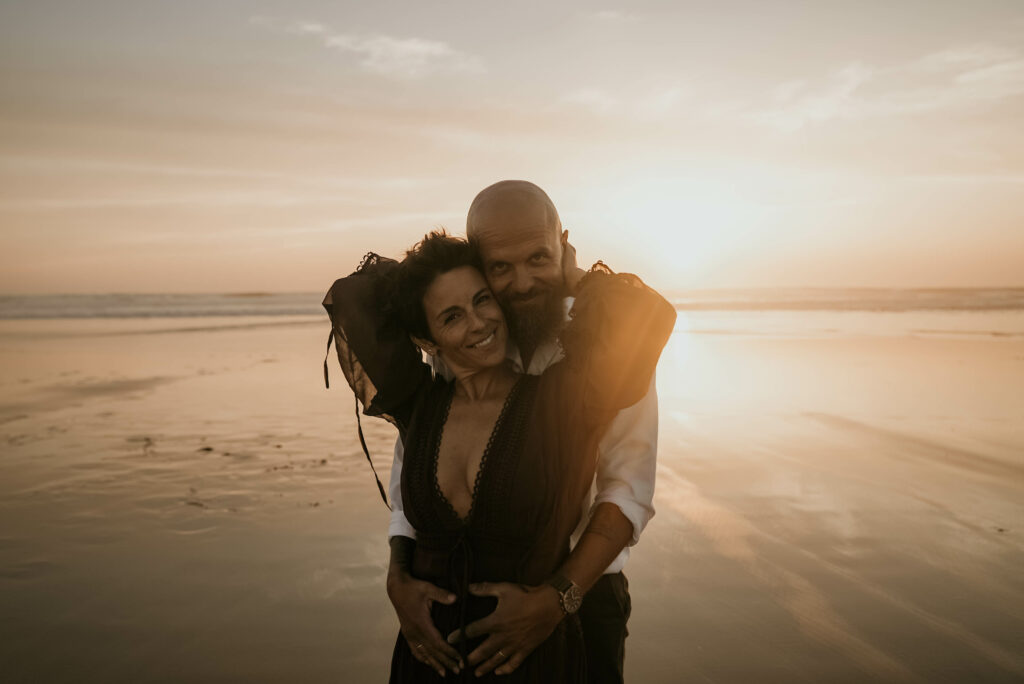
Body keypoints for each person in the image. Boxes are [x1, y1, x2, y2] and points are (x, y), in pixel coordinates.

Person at [323, 230, 674, 682]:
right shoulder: (421, 404)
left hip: (544, 640)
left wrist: (570, 276)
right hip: (427, 654)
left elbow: (640, 314)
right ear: (428, 337)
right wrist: (397, 579)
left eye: (483, 300)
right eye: (452, 316)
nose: (478, 322)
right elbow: (361, 299)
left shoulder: (566, 396)